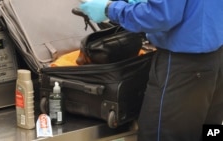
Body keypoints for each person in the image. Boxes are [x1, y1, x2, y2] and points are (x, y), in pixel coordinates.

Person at [79, 0, 223, 141]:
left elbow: (160, 16)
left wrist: (109, 9)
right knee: (211, 132)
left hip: (182, 69)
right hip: (216, 62)